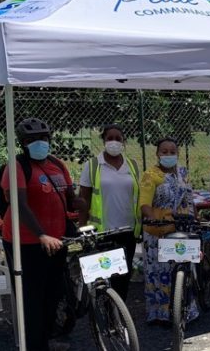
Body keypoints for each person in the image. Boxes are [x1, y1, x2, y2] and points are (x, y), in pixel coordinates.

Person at [0, 118, 85, 351]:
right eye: (33, 139)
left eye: (44, 138)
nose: (40, 142)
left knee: (54, 294)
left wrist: (80, 202)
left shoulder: (57, 164)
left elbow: (69, 198)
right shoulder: (16, 167)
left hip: (57, 241)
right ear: (23, 143)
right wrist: (41, 235)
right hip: (26, 242)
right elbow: (19, 204)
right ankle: (34, 345)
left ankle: (46, 339)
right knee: (32, 299)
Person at [139, 137, 199, 324]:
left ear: (177, 153)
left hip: (182, 227)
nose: (168, 155)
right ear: (157, 154)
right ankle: (161, 314)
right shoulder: (150, 175)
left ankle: (187, 312)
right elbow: (144, 204)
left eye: (172, 151)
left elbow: (189, 198)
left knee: (184, 270)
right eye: (164, 152)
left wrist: (195, 217)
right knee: (160, 274)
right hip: (158, 231)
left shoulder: (183, 172)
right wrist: (151, 216)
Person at [78, 124, 140, 300]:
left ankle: (120, 317)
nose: (114, 142)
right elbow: (84, 200)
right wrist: (83, 228)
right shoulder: (92, 166)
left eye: (118, 138)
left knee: (123, 276)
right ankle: (104, 318)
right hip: (102, 233)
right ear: (104, 141)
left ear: (124, 142)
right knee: (104, 278)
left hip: (127, 231)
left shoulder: (132, 165)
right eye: (109, 138)